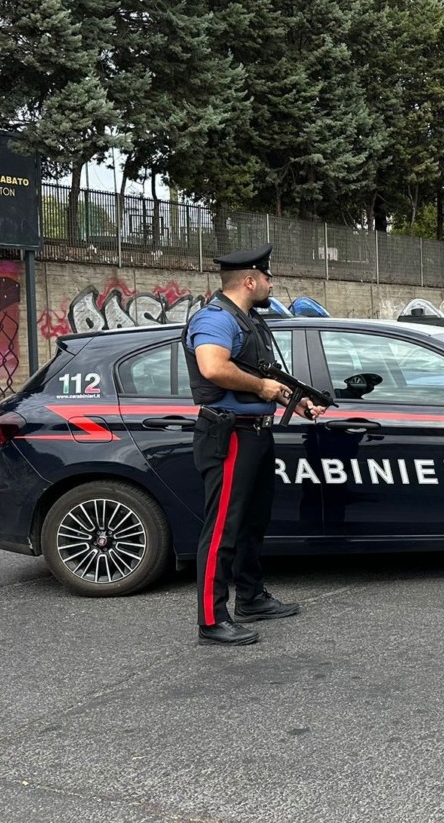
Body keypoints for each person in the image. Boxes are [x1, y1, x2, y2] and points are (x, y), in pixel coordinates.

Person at [183, 244, 326, 646]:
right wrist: (263, 386)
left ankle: (251, 598)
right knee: (223, 528)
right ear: (249, 280)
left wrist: (292, 402)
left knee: (252, 522)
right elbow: (214, 366)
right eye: (266, 277)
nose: (270, 283)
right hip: (229, 435)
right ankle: (211, 620)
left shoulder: (248, 321)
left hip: (256, 432)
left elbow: (260, 378)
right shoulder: (214, 319)